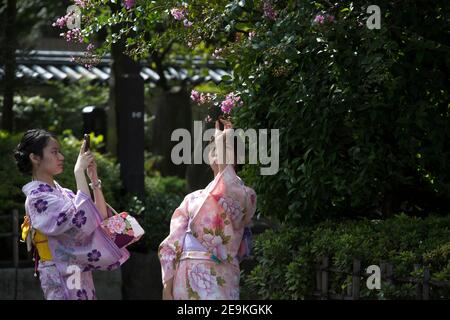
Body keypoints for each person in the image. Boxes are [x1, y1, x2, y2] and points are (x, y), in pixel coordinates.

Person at [14, 129, 129, 300]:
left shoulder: (62, 192)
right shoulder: (37, 198)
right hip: (57, 270)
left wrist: (93, 180)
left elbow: (97, 217)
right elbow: (81, 220)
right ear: (35, 157)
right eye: (54, 152)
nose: (61, 157)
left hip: (76, 267)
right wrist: (78, 172)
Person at [158, 120, 257, 300]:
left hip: (221, 275)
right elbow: (172, 243)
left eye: (223, 145)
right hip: (184, 276)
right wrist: (167, 286)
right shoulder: (191, 198)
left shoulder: (246, 195)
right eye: (213, 145)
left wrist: (223, 142)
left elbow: (226, 188)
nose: (216, 148)